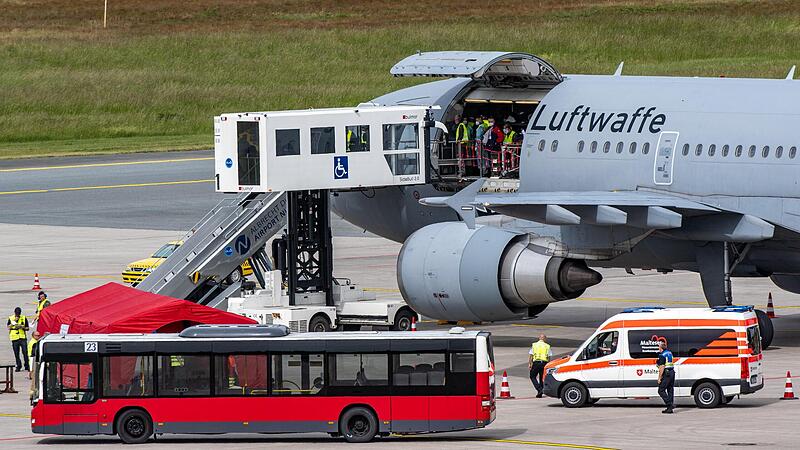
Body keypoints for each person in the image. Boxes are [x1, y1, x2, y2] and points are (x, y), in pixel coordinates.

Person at [528, 333, 552, 398]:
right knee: (541, 378)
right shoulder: (547, 346)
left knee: (532, 376)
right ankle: (540, 392)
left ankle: (539, 389)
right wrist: (548, 365)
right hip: (544, 363)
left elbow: (531, 355)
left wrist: (530, 364)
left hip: (536, 363)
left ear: (539, 338)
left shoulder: (534, 345)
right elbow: (549, 357)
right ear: (545, 339)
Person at [8, 306, 30, 372]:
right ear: (15, 313)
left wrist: (22, 327)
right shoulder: (11, 318)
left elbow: (27, 328)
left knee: (25, 352)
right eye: (17, 314)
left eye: (19, 314)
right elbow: (8, 327)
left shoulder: (23, 318)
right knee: (16, 353)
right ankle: (18, 365)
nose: (18, 315)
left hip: (22, 337)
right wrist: (14, 321)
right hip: (14, 338)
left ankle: (27, 365)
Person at [656, 340, 675, 414]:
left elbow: (662, 367)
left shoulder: (662, 355)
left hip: (666, 374)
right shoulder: (669, 353)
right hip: (672, 372)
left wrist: (659, 378)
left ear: (661, 348)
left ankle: (670, 404)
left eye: (659, 348)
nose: (658, 349)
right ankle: (669, 409)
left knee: (661, 390)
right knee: (670, 389)